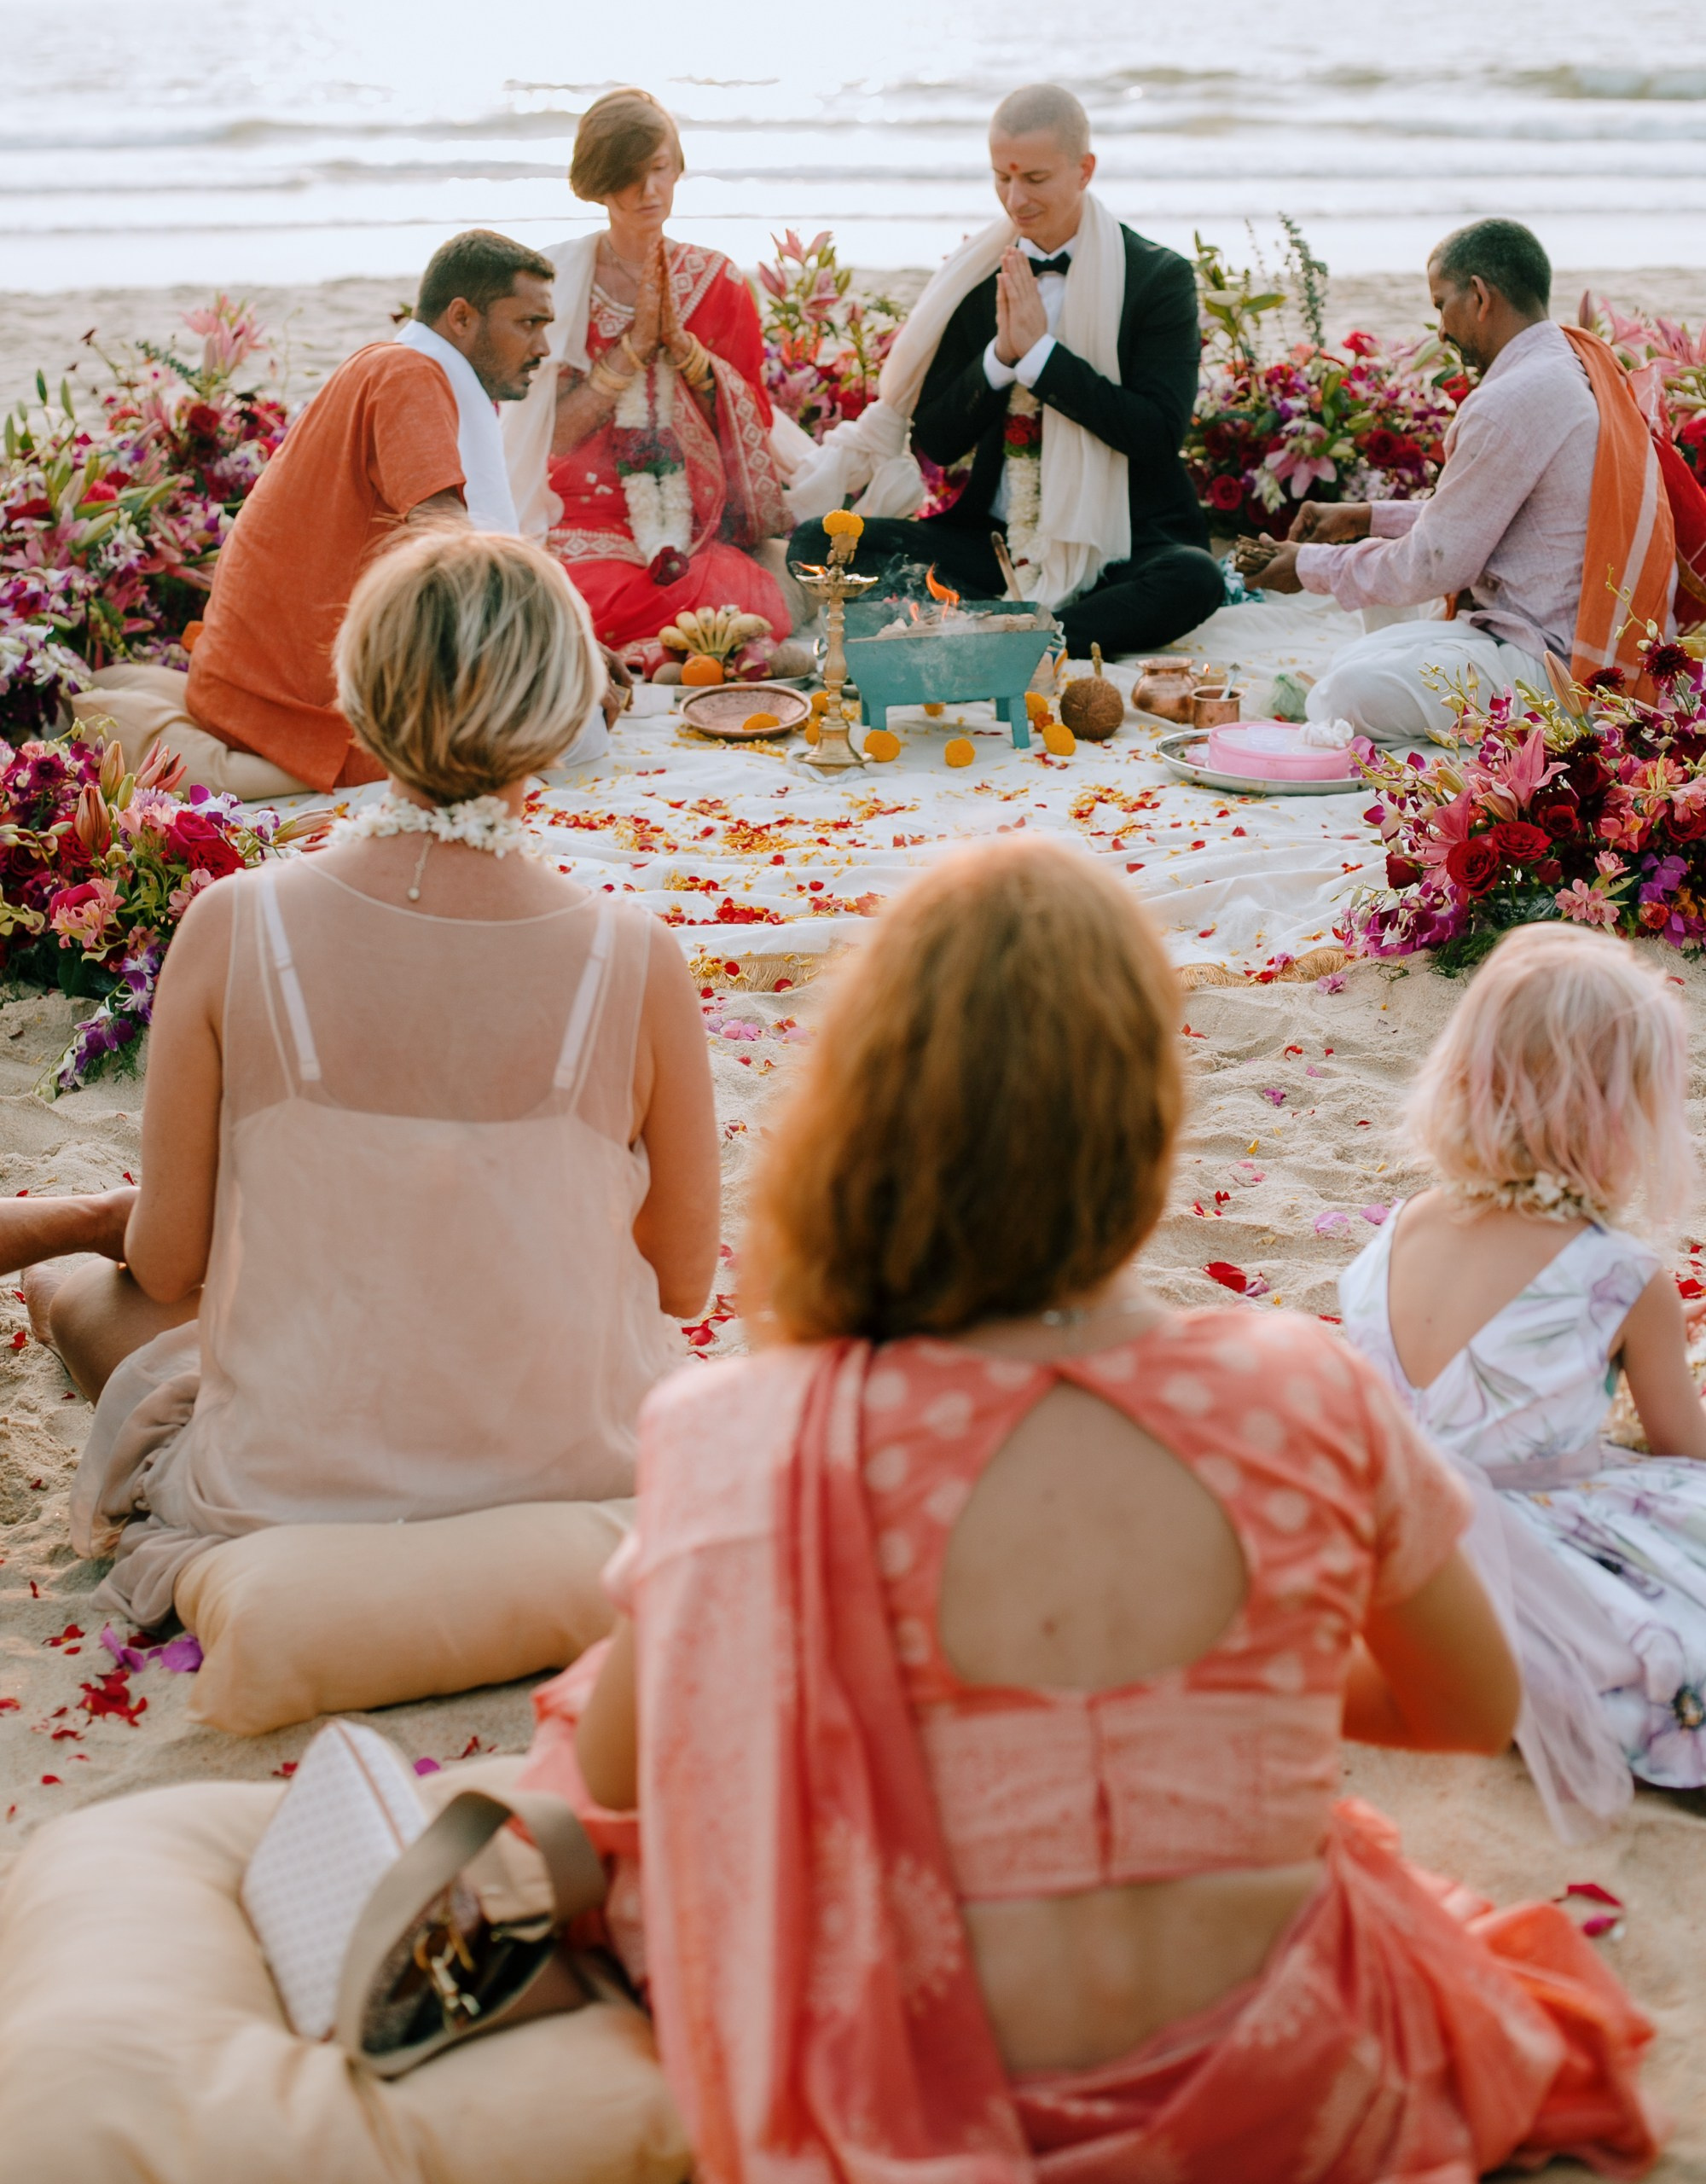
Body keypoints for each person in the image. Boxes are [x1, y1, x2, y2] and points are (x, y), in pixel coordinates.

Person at [530, 842, 1662, 2181]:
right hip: (1295, 2078)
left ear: (859, 1118)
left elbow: (611, 1789)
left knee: (604, 1699)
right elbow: (1467, 1711)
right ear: (1148, 1118)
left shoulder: (745, 1431)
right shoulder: (1299, 1390)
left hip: (921, 2097)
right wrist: (1210, 1679)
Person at [18, 530, 718, 1628]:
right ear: (564, 702)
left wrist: (110, 1217)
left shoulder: (237, 924)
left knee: (79, 1295)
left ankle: (60, 1251)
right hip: (577, 1473)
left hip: (294, 1491)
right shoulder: (633, 958)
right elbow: (681, 1284)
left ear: (358, 689)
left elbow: (165, 1264)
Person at [1343, 922, 1706, 1843]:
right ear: (1618, 1118)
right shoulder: (1620, 1275)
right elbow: (1682, 1449)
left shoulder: (1403, 1225)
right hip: (1519, 1559)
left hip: (1379, 1544)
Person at [67, 229, 629, 799]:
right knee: (580, 734)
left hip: (243, 686)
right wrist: (566, 648)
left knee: (566, 701)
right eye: (528, 324)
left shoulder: (397, 366)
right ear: (461, 317)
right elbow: (451, 547)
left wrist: (564, 645)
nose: (542, 347)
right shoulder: (409, 375)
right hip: (288, 709)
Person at [785, 84, 1223, 659]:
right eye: (1001, 177)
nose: (1015, 199)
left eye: (1035, 179)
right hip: (990, 544)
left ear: (1084, 169)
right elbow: (938, 441)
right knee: (817, 541)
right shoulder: (976, 277)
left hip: (1126, 542)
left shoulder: (1157, 278)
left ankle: (1024, 634)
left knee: (1195, 579)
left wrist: (1041, 359)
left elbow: (1158, 434)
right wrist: (1000, 360)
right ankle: (1032, 628)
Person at [1239, 218, 1677, 741]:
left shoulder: (1511, 400)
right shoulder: (1569, 362)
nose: (1441, 330)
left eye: (1440, 304)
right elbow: (1478, 518)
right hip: (1576, 640)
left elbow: (1433, 563)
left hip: (1563, 673)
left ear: (1479, 296)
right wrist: (1363, 518)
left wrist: (1304, 566)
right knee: (1357, 644)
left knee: (1342, 692)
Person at [500, 89, 799, 672]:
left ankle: (662, 655)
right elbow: (551, 435)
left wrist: (688, 355)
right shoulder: (555, 283)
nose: (648, 192)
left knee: (747, 591)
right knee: (565, 593)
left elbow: (751, 420)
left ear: (679, 167)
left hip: (689, 522)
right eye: (628, 177)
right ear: (595, 184)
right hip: (581, 518)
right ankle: (689, 653)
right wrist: (631, 353)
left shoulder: (718, 283)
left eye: (660, 170)